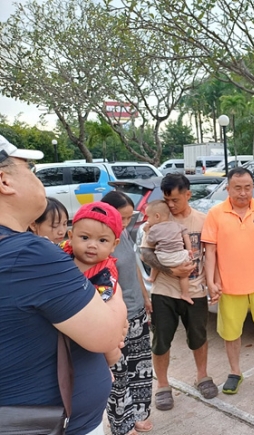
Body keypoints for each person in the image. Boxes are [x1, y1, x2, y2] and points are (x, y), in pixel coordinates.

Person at [0, 135, 127, 435]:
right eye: (29, 167)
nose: (37, 177)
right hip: (50, 425)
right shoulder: (28, 255)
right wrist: (115, 291)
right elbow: (107, 335)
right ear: (4, 181)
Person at [202, 167, 254, 395]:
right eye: (237, 188)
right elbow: (210, 252)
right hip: (229, 288)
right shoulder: (215, 214)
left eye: (247, 187)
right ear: (228, 189)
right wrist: (211, 282)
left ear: (253, 187)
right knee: (231, 334)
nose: (243, 193)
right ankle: (235, 371)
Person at [140, 173, 218, 410]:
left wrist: (213, 283)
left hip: (195, 290)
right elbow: (146, 253)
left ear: (188, 195)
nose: (171, 205)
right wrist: (170, 270)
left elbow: (212, 255)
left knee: (198, 336)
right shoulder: (159, 219)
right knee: (161, 340)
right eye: (167, 200)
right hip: (164, 291)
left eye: (175, 200)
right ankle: (163, 385)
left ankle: (202, 376)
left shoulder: (203, 220)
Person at [102, 191, 153, 435]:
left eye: (127, 217)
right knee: (118, 373)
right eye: (120, 217)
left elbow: (133, 266)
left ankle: (140, 414)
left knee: (140, 368)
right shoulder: (101, 240)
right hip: (115, 318)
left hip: (137, 312)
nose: (124, 223)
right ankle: (122, 423)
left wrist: (145, 297)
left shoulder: (122, 233)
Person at [61, 201, 124, 367]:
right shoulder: (60, 255)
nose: (92, 245)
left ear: (114, 245)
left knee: (110, 348)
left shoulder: (105, 274)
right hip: (62, 328)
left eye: (102, 240)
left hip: (91, 327)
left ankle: (109, 361)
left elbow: (103, 312)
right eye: (84, 237)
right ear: (70, 236)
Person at [145, 200, 195, 305]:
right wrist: (189, 250)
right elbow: (186, 236)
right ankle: (185, 294)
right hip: (179, 256)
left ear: (157, 216)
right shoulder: (177, 225)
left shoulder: (154, 229)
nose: (147, 220)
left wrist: (147, 231)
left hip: (163, 258)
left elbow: (150, 242)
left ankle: (152, 277)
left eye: (148, 217)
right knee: (184, 276)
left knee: (155, 259)